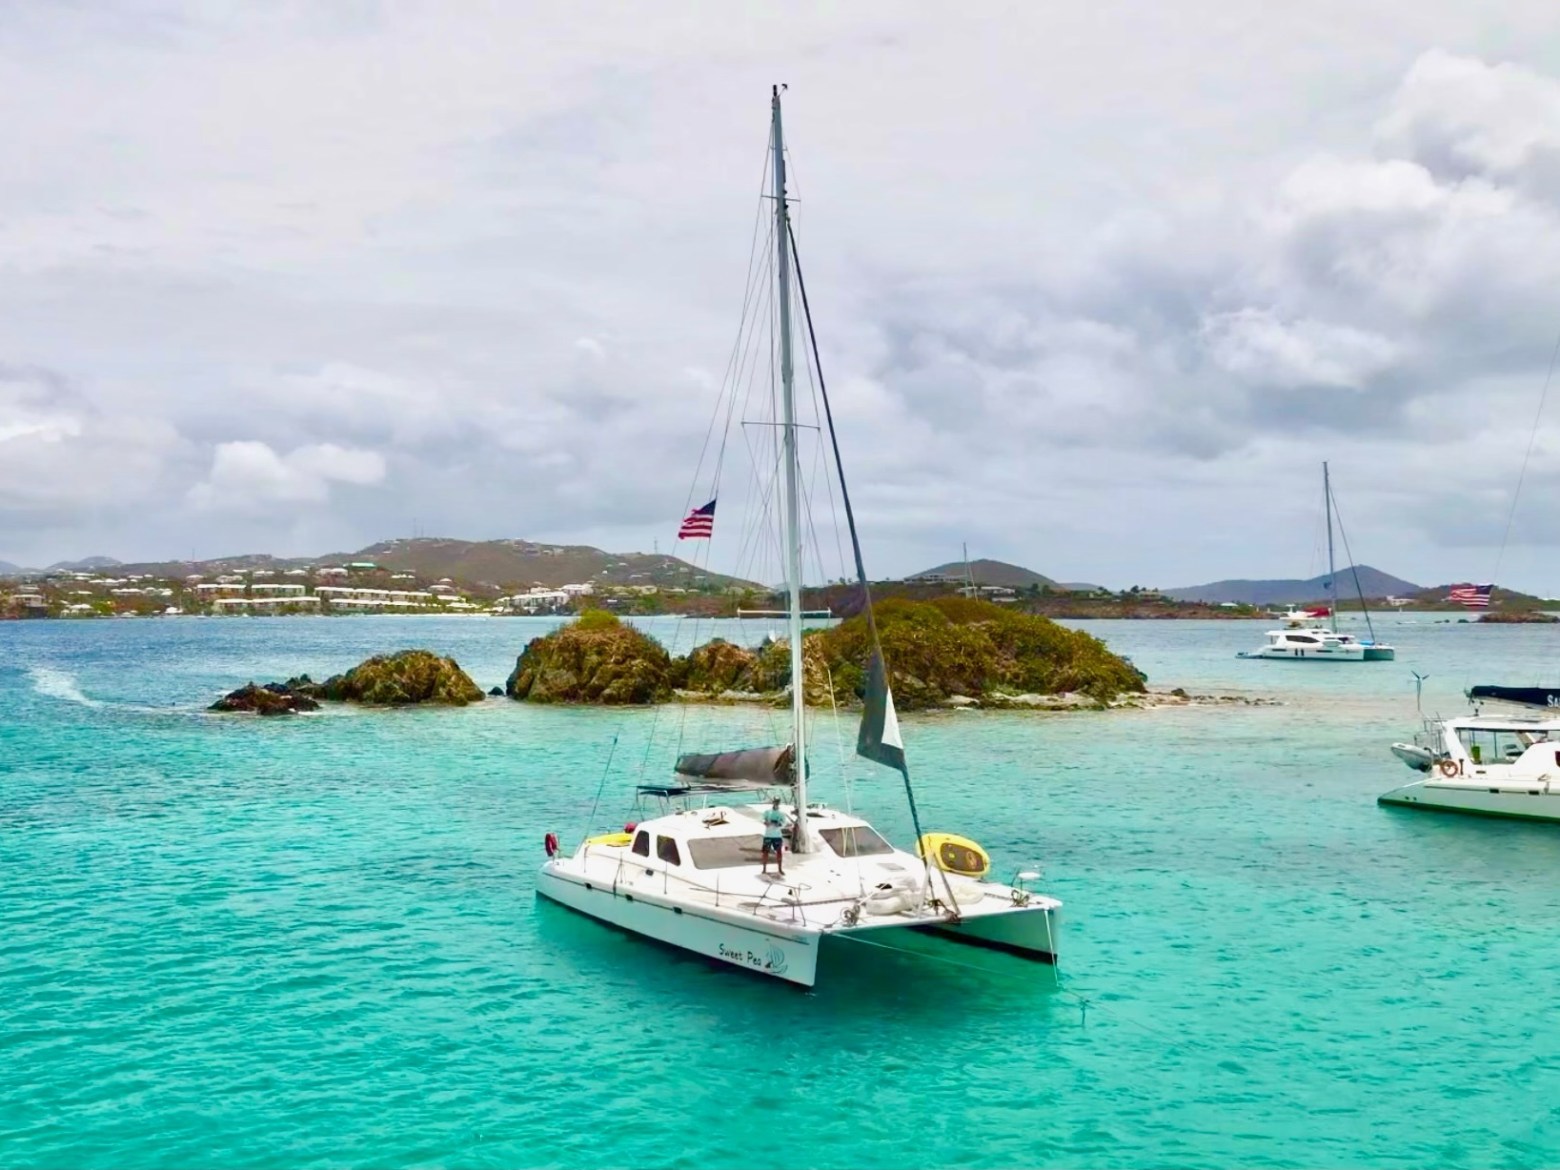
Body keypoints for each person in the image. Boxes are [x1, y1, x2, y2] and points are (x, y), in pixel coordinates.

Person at [761, 797, 787, 876]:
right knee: (765, 852)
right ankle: (764, 869)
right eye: (775, 801)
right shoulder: (767, 812)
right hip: (768, 835)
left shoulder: (782, 813)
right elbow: (762, 819)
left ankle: (780, 869)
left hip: (777, 836)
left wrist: (779, 824)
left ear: (779, 803)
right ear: (773, 802)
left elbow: (784, 823)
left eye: (778, 801)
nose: (776, 803)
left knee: (779, 852)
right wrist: (766, 822)